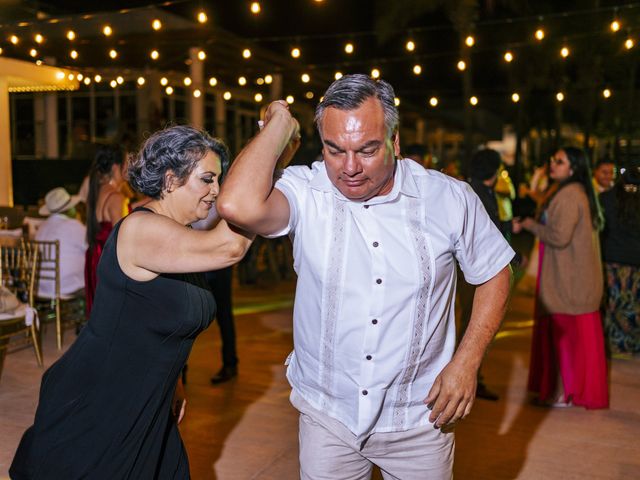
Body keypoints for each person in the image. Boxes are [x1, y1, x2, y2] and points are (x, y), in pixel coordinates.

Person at [218, 74, 513, 479]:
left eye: (367, 150)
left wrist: (467, 359)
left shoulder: (448, 198)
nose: (350, 168)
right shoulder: (307, 189)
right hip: (329, 416)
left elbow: (495, 269)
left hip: (420, 419)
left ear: (394, 141)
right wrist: (279, 125)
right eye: (335, 150)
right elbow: (235, 204)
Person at [10, 125, 253, 478]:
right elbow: (230, 246)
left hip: (148, 400)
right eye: (207, 179)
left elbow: (154, 321)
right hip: (102, 400)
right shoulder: (141, 230)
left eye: (218, 180)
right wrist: (273, 153)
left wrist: (174, 381)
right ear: (171, 180)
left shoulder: (176, 237)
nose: (216, 191)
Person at [513, 147, 608, 409]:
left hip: (568, 280)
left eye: (559, 161)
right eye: (553, 159)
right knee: (569, 338)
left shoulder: (569, 195)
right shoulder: (571, 192)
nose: (553, 164)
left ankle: (563, 392)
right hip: (569, 277)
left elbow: (559, 236)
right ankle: (564, 391)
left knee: (565, 338)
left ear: (573, 168)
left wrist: (529, 225)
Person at [599, 164, 640, 356]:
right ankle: (633, 344)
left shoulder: (606, 199)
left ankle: (611, 344)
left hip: (612, 260)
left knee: (612, 304)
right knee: (633, 305)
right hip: (636, 264)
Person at [84, 145, 128, 318]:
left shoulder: (97, 192)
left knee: (101, 315)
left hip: (94, 256)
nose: (128, 168)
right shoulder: (117, 198)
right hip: (110, 260)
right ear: (116, 167)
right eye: (126, 163)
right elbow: (123, 238)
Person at [35, 187, 86, 298]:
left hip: (40, 287)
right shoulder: (73, 225)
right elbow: (93, 249)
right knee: (101, 287)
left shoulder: (42, 227)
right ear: (70, 208)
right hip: (67, 287)